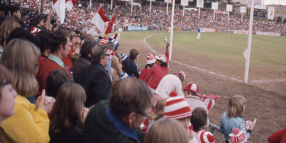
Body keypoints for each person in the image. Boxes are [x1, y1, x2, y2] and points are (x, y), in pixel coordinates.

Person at [0, 39, 54, 143]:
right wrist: (42, 111)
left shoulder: (15, 99)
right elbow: (37, 140)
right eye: (35, 64)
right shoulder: (14, 105)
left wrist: (38, 107)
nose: (37, 68)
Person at [83, 78, 153, 143]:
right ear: (131, 117)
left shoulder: (100, 106)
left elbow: (136, 133)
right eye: (146, 115)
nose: (146, 117)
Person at [38, 29, 71, 95]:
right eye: (68, 45)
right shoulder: (61, 71)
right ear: (61, 47)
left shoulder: (45, 63)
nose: (70, 48)